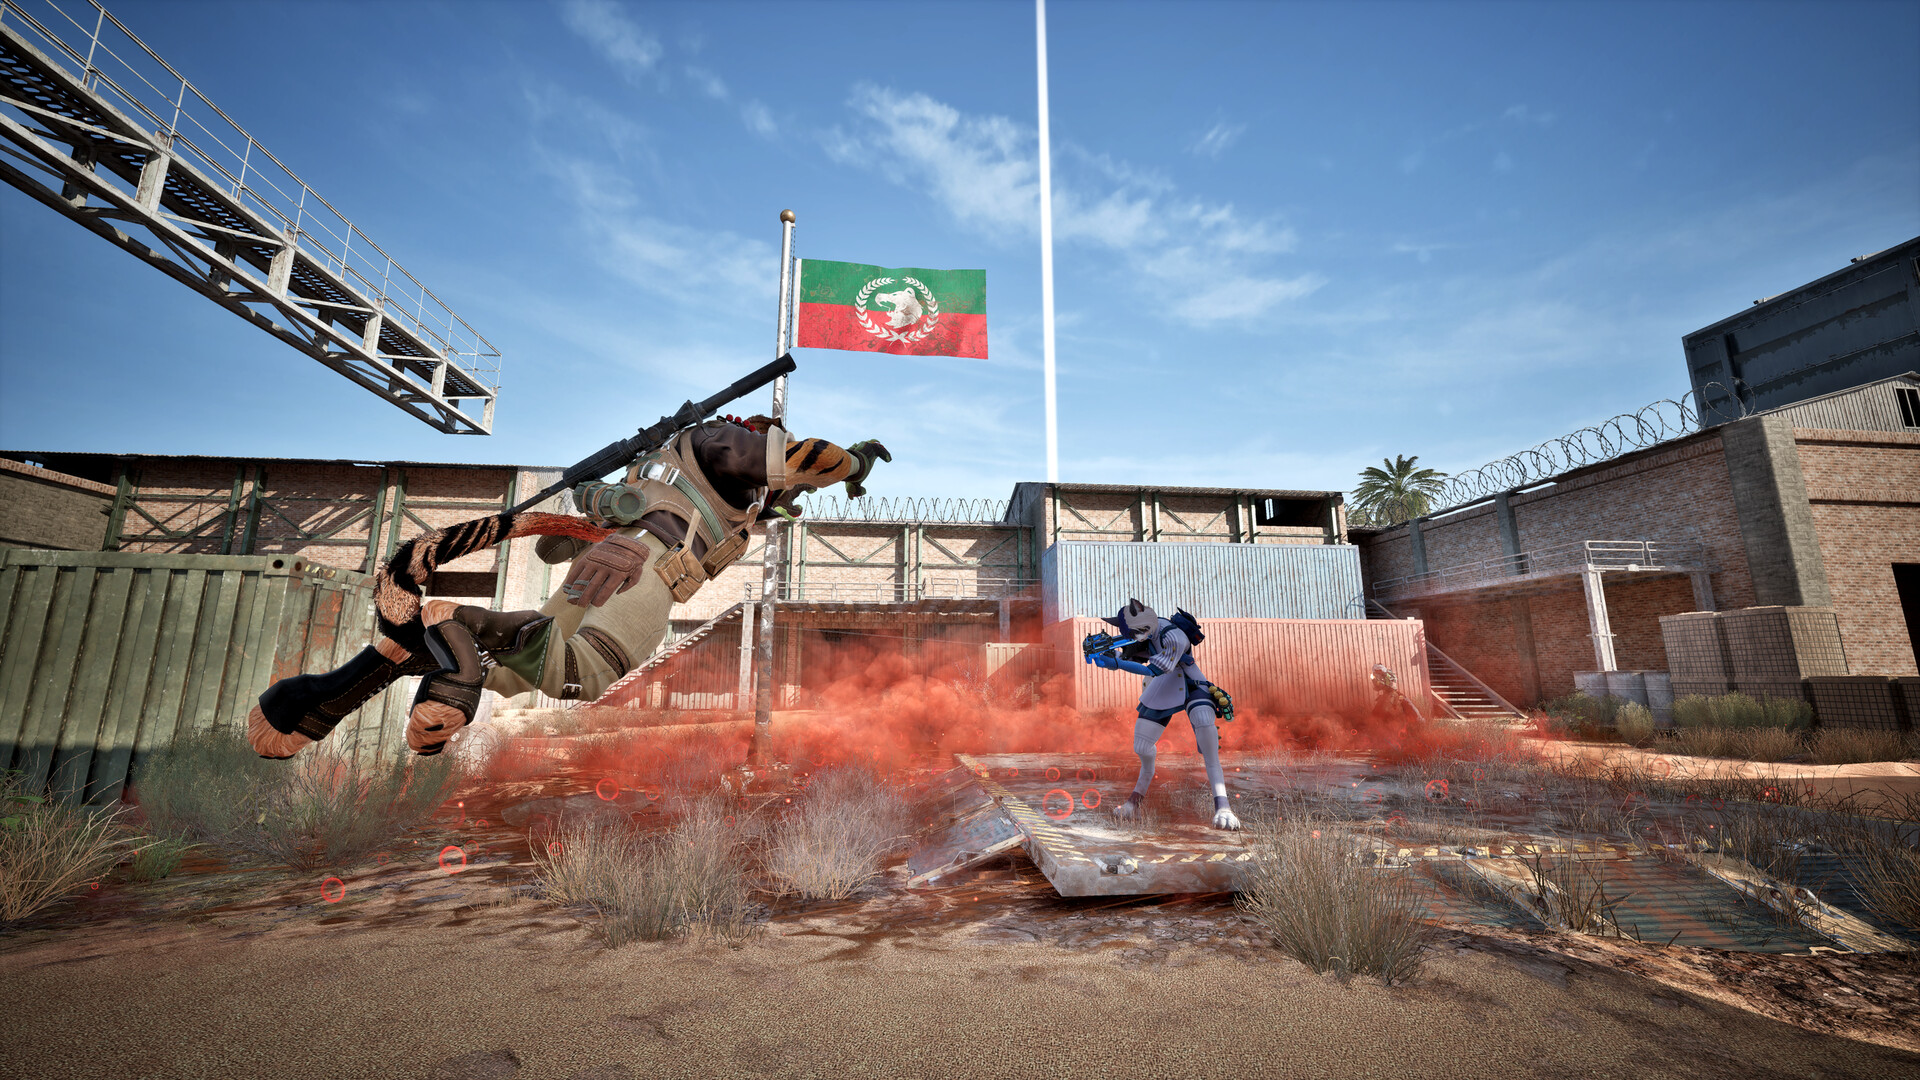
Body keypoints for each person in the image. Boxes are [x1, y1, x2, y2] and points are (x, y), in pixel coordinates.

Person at [247, 416, 887, 758]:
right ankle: (458, 625)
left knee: (509, 675)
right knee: (583, 674)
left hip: (612, 561)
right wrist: (853, 461)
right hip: (645, 568)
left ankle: (317, 702)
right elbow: (803, 459)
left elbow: (770, 497)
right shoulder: (726, 441)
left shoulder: (684, 467)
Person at [1087, 598, 1239, 830]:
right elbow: (1131, 655)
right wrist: (1109, 658)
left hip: (1191, 682)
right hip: (1164, 685)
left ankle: (1223, 806)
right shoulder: (1145, 634)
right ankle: (1133, 804)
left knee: (1204, 728)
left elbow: (1153, 669)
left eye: (1136, 632)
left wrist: (1116, 664)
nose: (1136, 636)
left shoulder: (1173, 636)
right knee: (1141, 746)